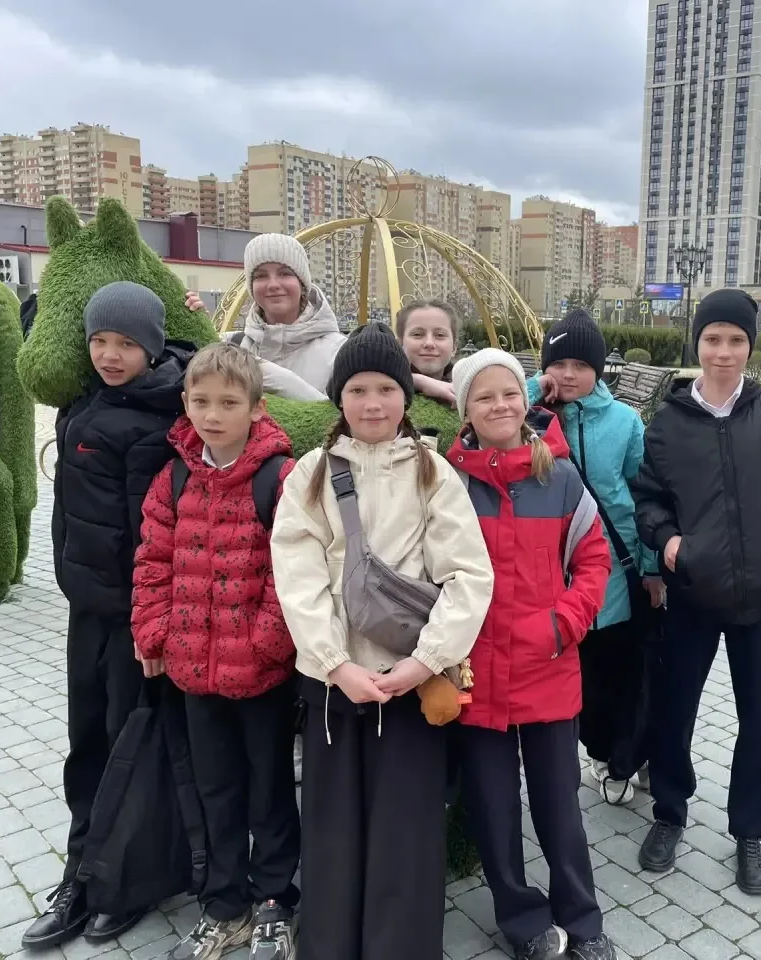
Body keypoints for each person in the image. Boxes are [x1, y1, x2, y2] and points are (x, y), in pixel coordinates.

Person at [270, 323, 494, 960]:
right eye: (358, 390)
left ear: (406, 396)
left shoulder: (433, 473)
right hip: (335, 688)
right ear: (339, 397)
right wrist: (334, 664)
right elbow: (297, 576)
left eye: (387, 389)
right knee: (333, 830)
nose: (373, 404)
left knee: (406, 831)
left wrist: (425, 662)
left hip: (411, 687)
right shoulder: (311, 474)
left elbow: (468, 576)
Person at [630, 289, 761, 891]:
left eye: (736, 340)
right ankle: (669, 812)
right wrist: (670, 543)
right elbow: (649, 500)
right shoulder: (668, 423)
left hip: (757, 601)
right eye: (713, 339)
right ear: (698, 343)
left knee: (759, 721)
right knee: (675, 712)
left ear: (749, 346)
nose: (723, 351)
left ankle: (750, 831)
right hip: (692, 594)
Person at [23, 281, 194, 951]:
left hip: (134, 619)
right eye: (99, 341)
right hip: (86, 611)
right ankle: (81, 872)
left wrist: (151, 625)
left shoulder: (159, 418)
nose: (110, 355)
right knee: (88, 742)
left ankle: (125, 882)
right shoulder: (84, 404)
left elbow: (155, 538)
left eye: (126, 343)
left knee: (132, 747)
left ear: (151, 346)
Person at [131, 343, 301, 960]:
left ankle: (275, 897)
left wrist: (265, 644)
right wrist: (153, 633)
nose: (212, 415)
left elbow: (293, 572)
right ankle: (225, 902)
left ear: (256, 408)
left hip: (261, 674)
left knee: (269, 789)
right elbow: (153, 559)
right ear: (185, 403)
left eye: (228, 403)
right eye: (200, 402)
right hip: (194, 671)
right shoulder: (174, 477)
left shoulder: (279, 478)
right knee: (216, 789)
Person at [448, 349, 616, 960]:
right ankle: (523, 921)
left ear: (526, 401)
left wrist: (563, 624)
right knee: (494, 809)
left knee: (559, 806)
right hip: (475, 675)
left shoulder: (560, 478)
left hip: (548, 667)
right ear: (465, 409)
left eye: (509, 394)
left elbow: (593, 560)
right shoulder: (448, 483)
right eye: (484, 396)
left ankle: (583, 919)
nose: (499, 405)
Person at [530, 310, 663, 805]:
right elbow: (484, 405)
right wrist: (533, 390)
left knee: (626, 672)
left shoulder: (624, 421)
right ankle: (603, 751)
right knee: (582, 678)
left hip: (617, 570)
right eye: (558, 363)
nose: (568, 375)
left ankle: (629, 755)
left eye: (581, 365)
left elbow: (644, 497)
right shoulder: (530, 418)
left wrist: (651, 568)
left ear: (599, 369)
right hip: (554, 576)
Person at [184, 233, 345, 401]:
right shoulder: (230, 344)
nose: (273, 285)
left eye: (284, 274)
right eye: (261, 276)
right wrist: (200, 325)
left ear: (302, 283)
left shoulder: (339, 351)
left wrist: (282, 382)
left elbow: (341, 414)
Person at [396, 297, 460, 405]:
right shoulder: (382, 386)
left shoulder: (470, 391)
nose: (429, 343)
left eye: (440, 335)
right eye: (417, 334)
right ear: (400, 344)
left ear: (454, 347)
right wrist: (416, 380)